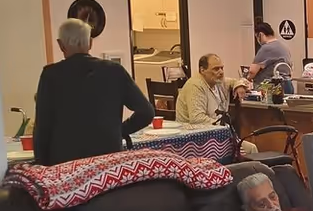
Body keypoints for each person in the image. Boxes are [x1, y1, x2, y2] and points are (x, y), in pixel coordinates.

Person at [34, 19, 154, 166]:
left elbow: (42, 128)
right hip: (108, 162)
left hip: (66, 164)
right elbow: (147, 112)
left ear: (60, 45)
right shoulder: (115, 71)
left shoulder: (50, 75)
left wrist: (42, 166)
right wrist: (120, 131)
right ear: (90, 42)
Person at [176, 53, 257, 154]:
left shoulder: (217, 81)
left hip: (215, 135)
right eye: (216, 69)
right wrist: (223, 127)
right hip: (195, 140)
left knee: (251, 148)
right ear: (202, 70)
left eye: (222, 68)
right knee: (250, 149)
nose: (221, 72)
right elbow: (196, 119)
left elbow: (235, 81)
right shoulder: (195, 86)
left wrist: (239, 86)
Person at [249, 22, 294, 94]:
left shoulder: (266, 48)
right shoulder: (284, 47)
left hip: (272, 89)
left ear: (260, 35)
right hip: (287, 85)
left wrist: (245, 80)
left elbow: (252, 71)